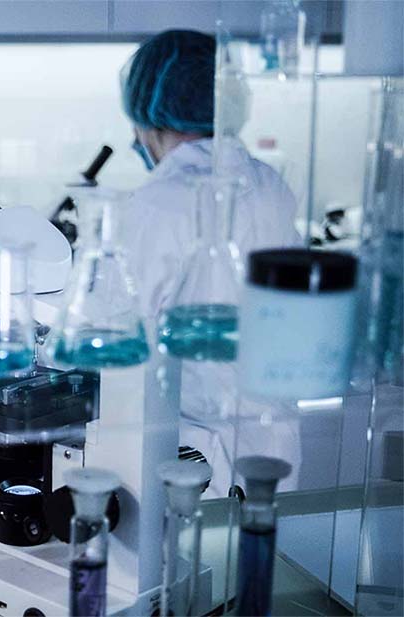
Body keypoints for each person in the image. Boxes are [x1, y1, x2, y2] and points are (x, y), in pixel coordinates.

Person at [117, 29, 303, 497]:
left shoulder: (157, 200)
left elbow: (126, 329)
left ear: (146, 116)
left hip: (191, 443)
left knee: (190, 565)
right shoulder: (269, 183)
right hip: (272, 435)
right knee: (261, 562)